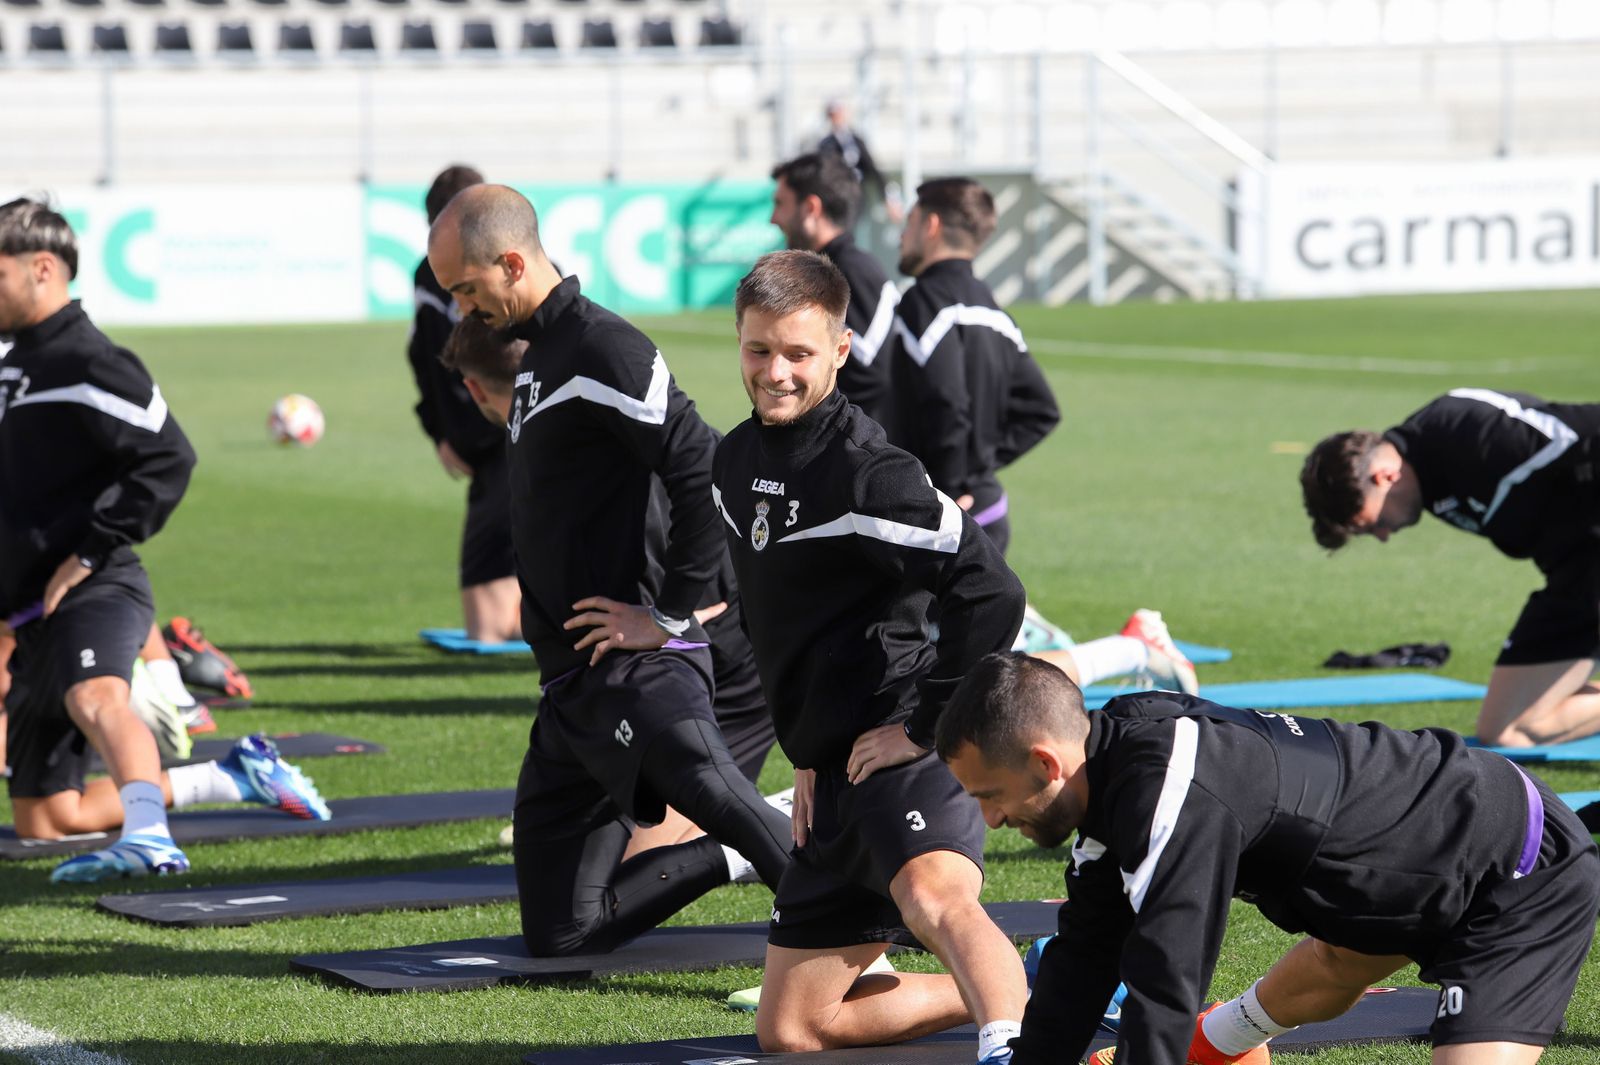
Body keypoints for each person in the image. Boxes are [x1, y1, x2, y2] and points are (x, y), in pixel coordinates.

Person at [426, 185, 792, 957]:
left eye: (465, 288)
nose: (461, 308)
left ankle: (862, 917)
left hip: (631, 670)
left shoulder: (599, 346)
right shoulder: (540, 356)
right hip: (569, 692)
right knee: (560, 932)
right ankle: (739, 858)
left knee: (726, 799)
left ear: (513, 263)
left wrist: (666, 613)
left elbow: (700, 461)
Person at [938, 652, 1600, 1065]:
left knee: (1335, 964)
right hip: (1397, 876)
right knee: (1334, 964)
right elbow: (1083, 957)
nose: (991, 820)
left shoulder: (1168, 787)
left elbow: (1163, 979)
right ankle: (1224, 1041)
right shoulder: (1109, 770)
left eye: (990, 796)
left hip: (1515, 866)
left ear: (1047, 762)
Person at [712, 250, 1029, 1063]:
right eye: (758, 349)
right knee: (790, 1030)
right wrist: (809, 750)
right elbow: (785, 616)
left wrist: (923, 727)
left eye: (798, 353)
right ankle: (1045, 982)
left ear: (841, 350)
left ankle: (1011, 1039)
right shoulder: (733, 463)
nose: (775, 371)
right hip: (830, 777)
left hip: (900, 748)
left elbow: (992, 594)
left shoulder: (872, 475)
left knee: (935, 897)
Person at [0, 197, 330, 883]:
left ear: (42, 268)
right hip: (28, 615)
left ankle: (149, 836)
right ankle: (235, 776)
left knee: (97, 699)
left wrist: (90, 548)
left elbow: (168, 456)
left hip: (94, 587)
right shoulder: (19, 363)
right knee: (44, 819)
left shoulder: (88, 359)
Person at [438, 317, 781, 862]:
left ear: (475, 388)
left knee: (648, 859)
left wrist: (673, 612)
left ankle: (795, 817)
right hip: (674, 643)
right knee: (592, 854)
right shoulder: (567, 426)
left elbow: (719, 495)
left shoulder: (589, 435)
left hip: (735, 642)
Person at [1301, 390, 1600, 748]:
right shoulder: (1427, 480)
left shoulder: (1465, 432)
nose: (1381, 536)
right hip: (1574, 577)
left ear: (1384, 477)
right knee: (1507, 730)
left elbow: (1584, 434)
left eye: (1372, 524)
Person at [888, 178, 1060, 555]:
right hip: (989, 511)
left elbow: (945, 398)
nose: (902, 235)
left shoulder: (924, 303)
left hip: (942, 520)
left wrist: (948, 489)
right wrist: (978, 468)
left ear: (930, 226)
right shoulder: (995, 312)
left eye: (910, 221)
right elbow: (1041, 411)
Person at [406, 164, 520, 644]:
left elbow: (425, 356)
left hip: (509, 434)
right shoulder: (432, 276)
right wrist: (440, 431)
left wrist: (444, 430)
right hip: (495, 433)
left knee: (488, 627)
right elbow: (425, 355)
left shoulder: (516, 269)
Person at [769, 152, 898, 428]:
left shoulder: (852, 270)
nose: (773, 218)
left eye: (780, 204)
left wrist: (820, 430)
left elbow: (871, 376)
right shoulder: (834, 267)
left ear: (811, 208)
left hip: (857, 459)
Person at [819, 99, 903, 224]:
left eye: (839, 112)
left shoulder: (855, 141)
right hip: (837, 198)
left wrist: (888, 198)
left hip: (858, 198)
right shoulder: (826, 144)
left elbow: (872, 169)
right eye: (834, 114)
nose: (837, 117)